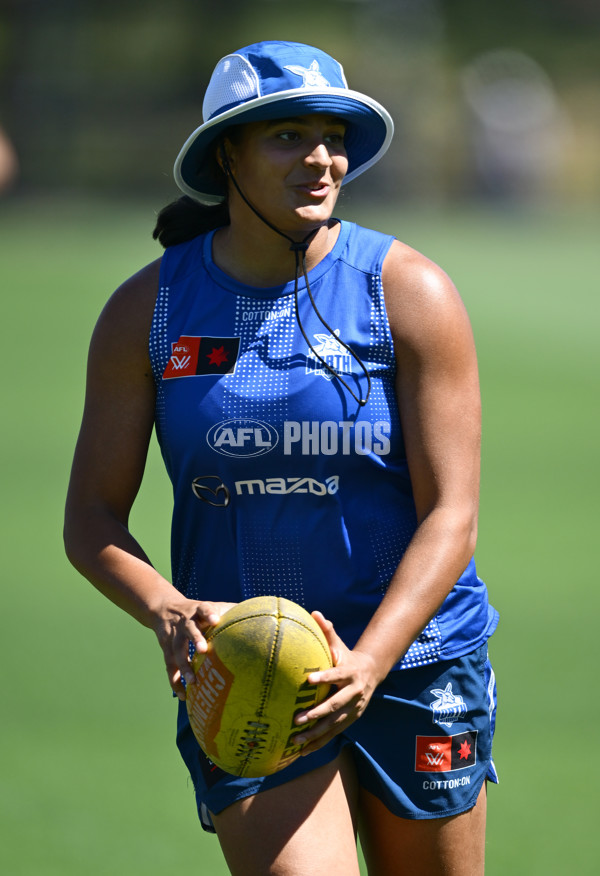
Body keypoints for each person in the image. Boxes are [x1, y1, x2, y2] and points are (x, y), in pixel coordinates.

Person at [64, 40, 499, 876]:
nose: (320, 158)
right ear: (227, 153)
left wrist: (370, 662)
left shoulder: (408, 292)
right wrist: (164, 606)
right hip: (250, 672)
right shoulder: (146, 312)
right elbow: (90, 519)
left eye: (332, 136)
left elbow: (454, 514)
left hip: (417, 660)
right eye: (286, 136)